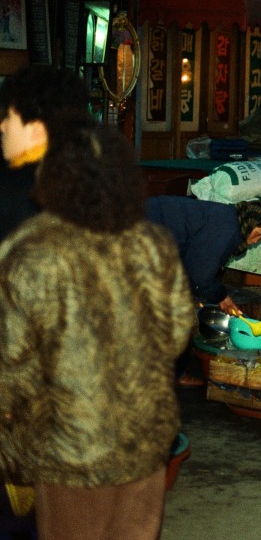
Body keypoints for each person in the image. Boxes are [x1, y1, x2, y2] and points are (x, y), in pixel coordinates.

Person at [0, 124, 194, 540]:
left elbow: (11, 365)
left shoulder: (29, 251)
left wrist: (14, 449)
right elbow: (178, 333)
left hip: (68, 449)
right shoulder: (153, 242)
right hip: (143, 440)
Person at [0, 65, 89, 242]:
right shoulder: (92, 179)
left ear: (37, 131)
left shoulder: (13, 191)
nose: (2, 126)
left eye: (9, 117)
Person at [146, 196, 261, 314]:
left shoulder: (229, 216)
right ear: (252, 221)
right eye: (258, 233)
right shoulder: (227, 229)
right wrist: (220, 295)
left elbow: (191, 264)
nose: (255, 241)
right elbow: (200, 277)